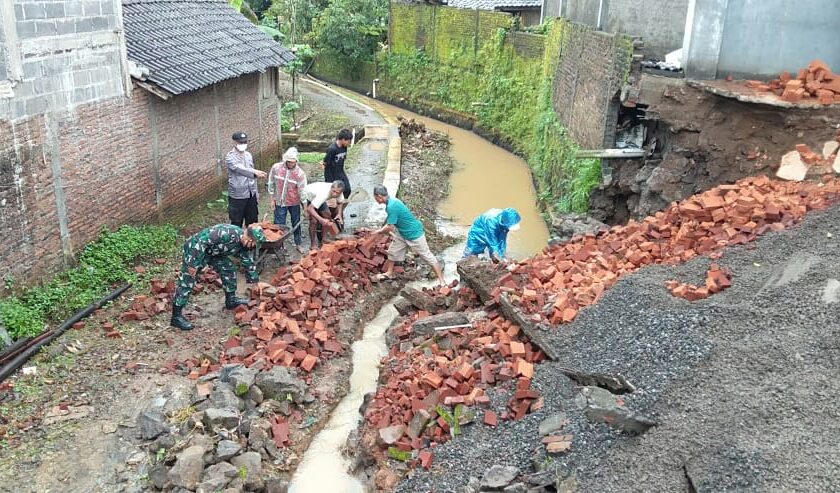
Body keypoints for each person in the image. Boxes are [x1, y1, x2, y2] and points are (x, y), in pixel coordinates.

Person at [170, 224, 266, 331]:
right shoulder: (226, 234)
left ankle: (231, 300)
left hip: (214, 253)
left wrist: (255, 282)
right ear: (247, 236)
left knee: (228, 269)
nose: (252, 246)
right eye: (252, 242)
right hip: (195, 251)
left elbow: (248, 262)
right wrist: (192, 264)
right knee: (187, 281)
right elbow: (200, 242)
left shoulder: (245, 246)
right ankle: (176, 317)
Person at [368, 185, 445, 285]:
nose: (375, 200)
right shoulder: (391, 202)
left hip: (414, 234)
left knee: (427, 256)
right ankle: (390, 272)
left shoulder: (392, 206)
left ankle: (442, 281)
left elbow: (389, 227)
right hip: (402, 232)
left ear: (379, 196)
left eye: (375, 198)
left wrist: (378, 231)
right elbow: (390, 221)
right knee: (393, 251)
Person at [267, 147, 307, 254]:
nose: (290, 164)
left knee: (296, 222)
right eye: (288, 162)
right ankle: (280, 246)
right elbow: (271, 183)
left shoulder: (300, 174)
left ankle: (298, 243)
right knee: (279, 224)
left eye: (292, 162)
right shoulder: (276, 168)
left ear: (296, 162)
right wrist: (272, 199)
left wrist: (305, 208)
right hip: (280, 201)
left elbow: (303, 191)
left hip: (294, 202)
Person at [226, 131, 267, 227]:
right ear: (235, 142)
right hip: (237, 196)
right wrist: (254, 172)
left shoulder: (248, 155)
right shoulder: (230, 157)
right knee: (236, 222)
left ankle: (252, 241)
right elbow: (239, 169)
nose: (243, 144)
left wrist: (256, 193)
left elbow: (253, 178)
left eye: (245, 142)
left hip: (250, 194)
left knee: (253, 222)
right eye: (240, 142)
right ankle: (237, 241)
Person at [302, 180, 347, 248]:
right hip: (307, 197)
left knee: (328, 215)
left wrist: (339, 214)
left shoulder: (339, 192)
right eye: (333, 191)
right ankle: (313, 244)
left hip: (317, 197)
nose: (335, 194)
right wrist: (321, 220)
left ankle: (324, 239)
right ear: (331, 188)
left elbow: (340, 202)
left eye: (337, 193)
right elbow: (310, 208)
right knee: (314, 221)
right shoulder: (324, 194)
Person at [321, 128, 352, 199]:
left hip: (340, 172)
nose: (349, 143)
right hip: (331, 174)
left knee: (347, 190)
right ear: (343, 139)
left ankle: (341, 207)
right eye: (348, 141)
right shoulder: (332, 149)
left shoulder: (344, 147)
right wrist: (323, 165)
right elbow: (326, 162)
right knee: (332, 195)